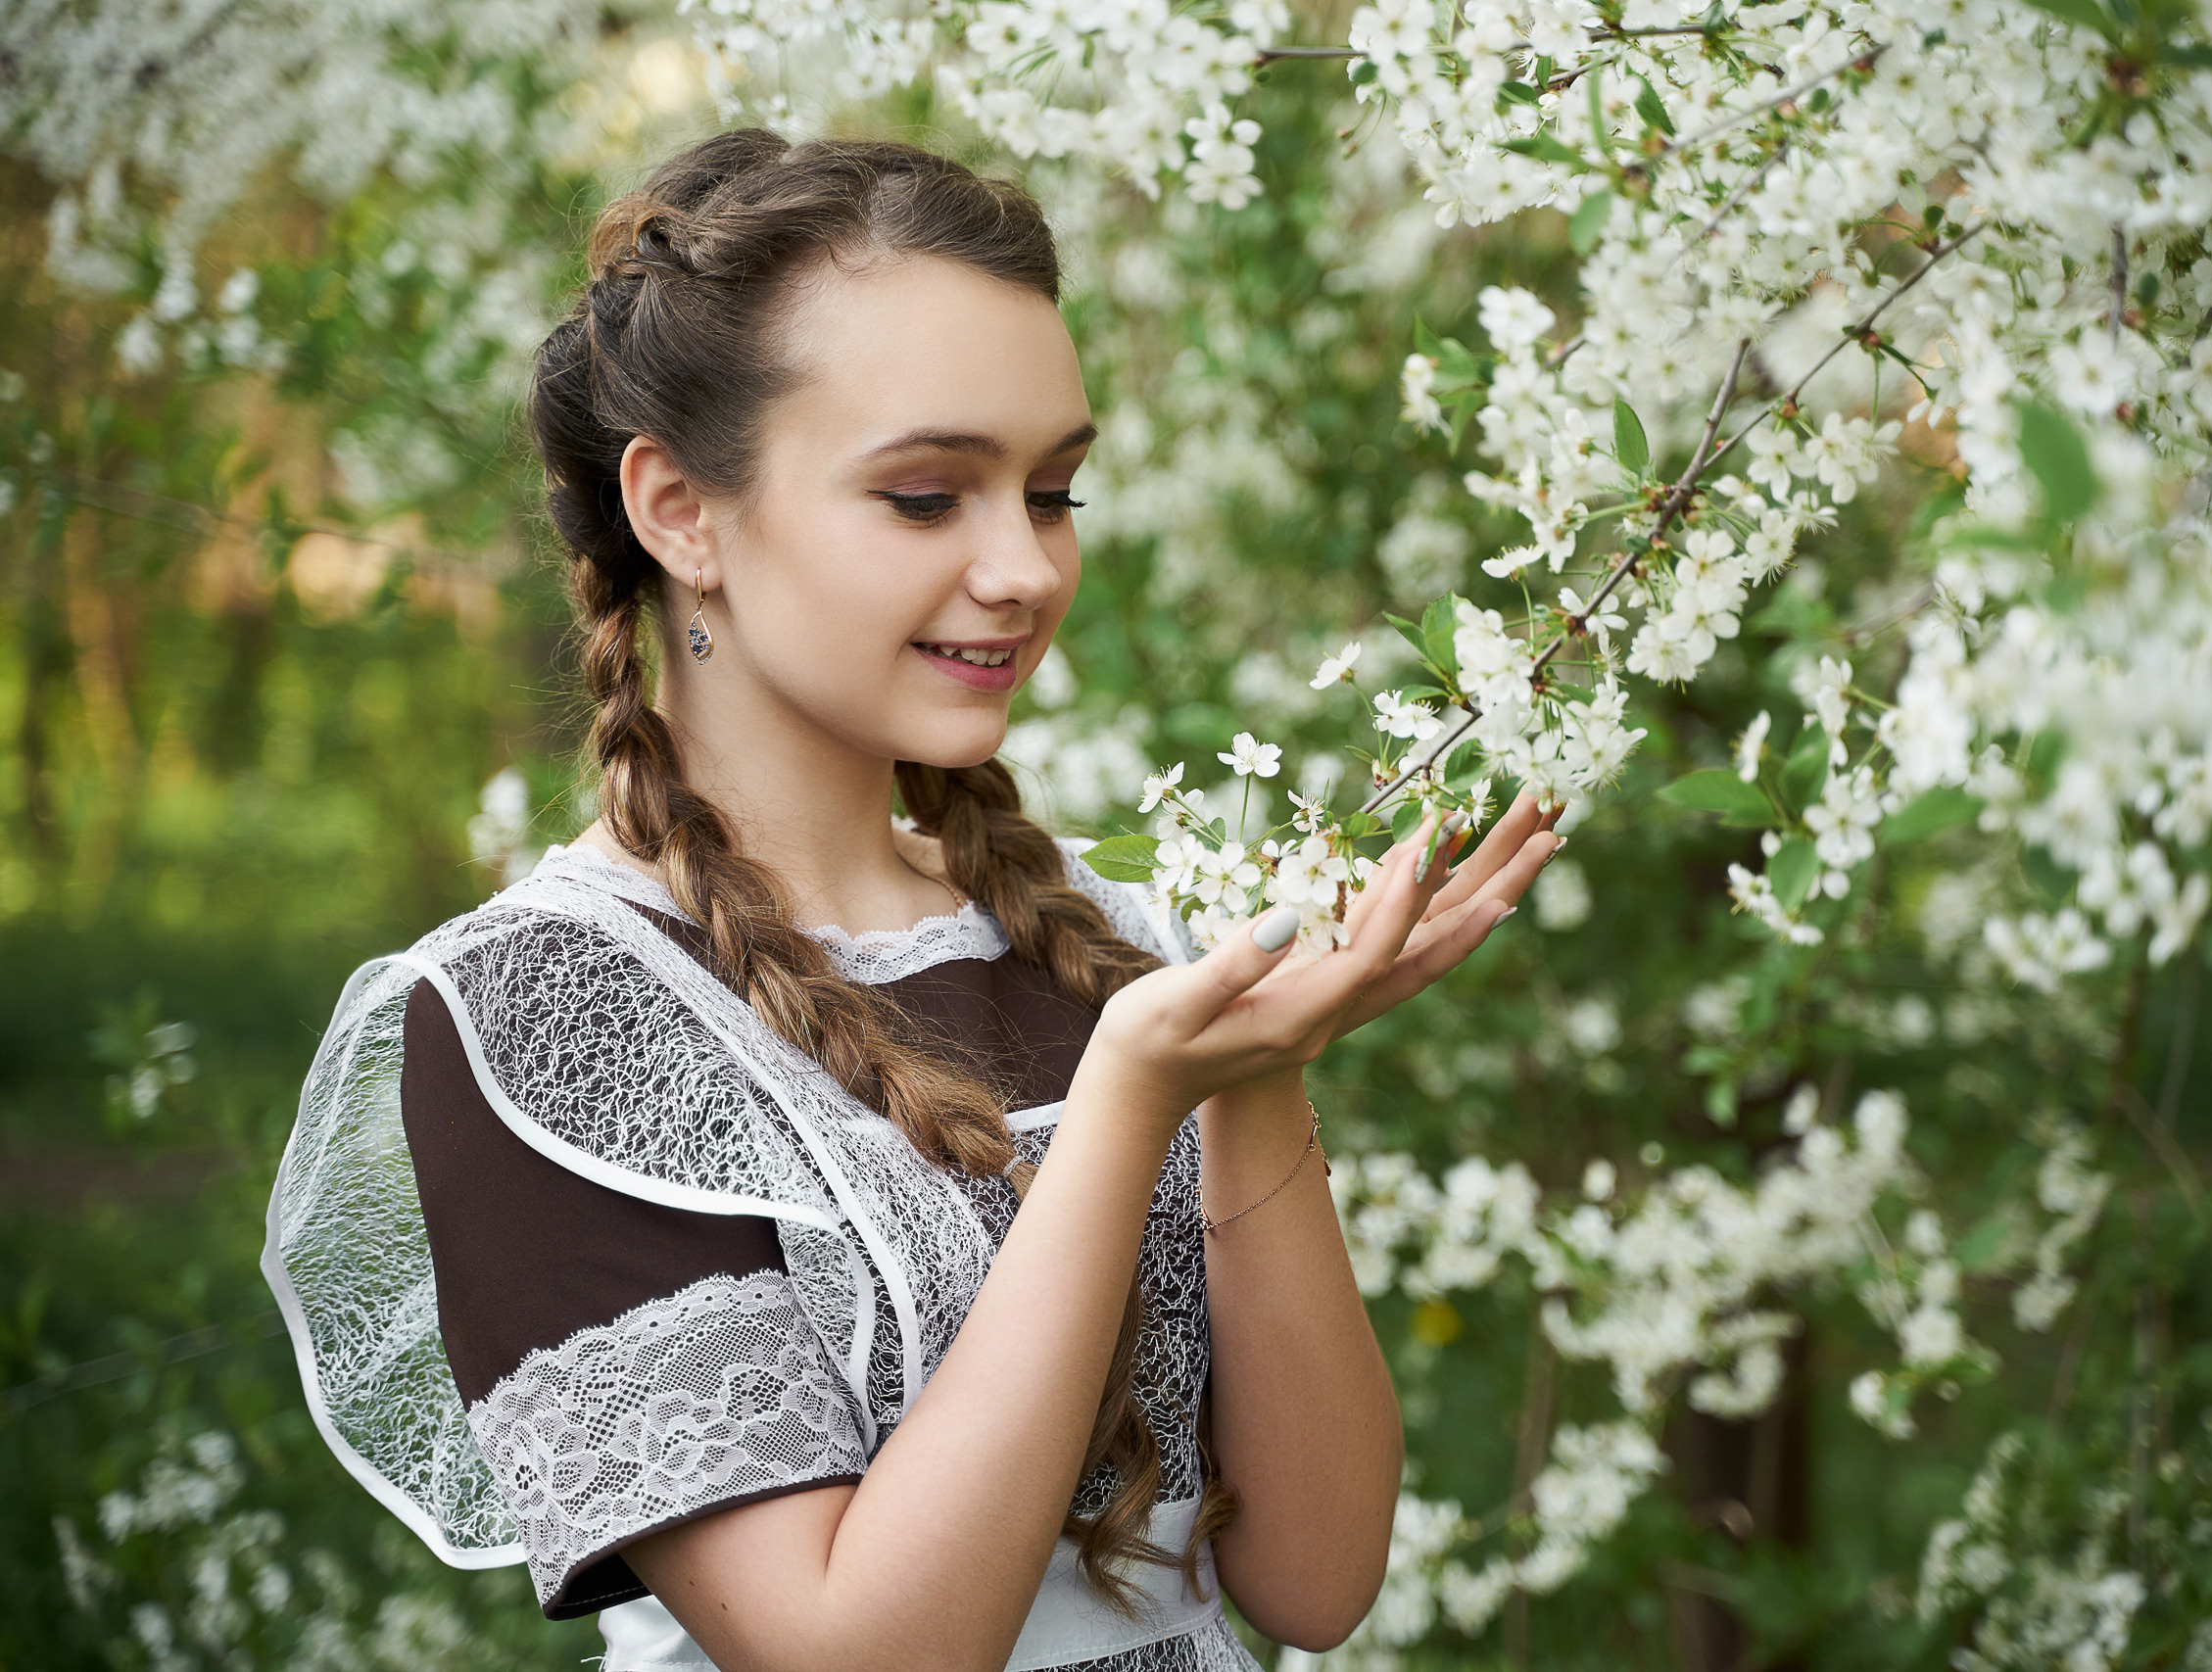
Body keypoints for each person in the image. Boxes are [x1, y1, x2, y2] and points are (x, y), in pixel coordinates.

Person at [262, 128, 1563, 1672]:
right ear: (680, 513)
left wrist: (1258, 1080)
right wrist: (1140, 1101)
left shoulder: (1094, 934)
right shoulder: (547, 1020)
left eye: (1055, 490)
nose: (1023, 568)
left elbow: (1317, 1578)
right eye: (930, 496)